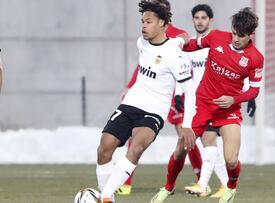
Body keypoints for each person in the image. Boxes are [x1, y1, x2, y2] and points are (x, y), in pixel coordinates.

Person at [151, 7, 264, 203]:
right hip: (202, 104)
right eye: (234, 33)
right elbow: (191, 45)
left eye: (241, 36)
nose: (235, 38)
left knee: (231, 159)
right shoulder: (217, 37)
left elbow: (254, 91)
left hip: (228, 109)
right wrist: (174, 43)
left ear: (251, 35)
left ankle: (231, 188)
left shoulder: (255, 58)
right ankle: (168, 187)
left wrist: (234, 100)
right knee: (180, 148)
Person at [96, 1, 196, 203]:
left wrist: (187, 125)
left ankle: (105, 196)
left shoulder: (176, 56)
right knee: (104, 148)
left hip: (154, 111)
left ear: (162, 23)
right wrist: (181, 39)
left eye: (148, 21)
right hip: (130, 104)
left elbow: (190, 91)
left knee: (137, 147)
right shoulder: (141, 43)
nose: (143, 26)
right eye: (142, 21)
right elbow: (174, 41)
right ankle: (108, 197)